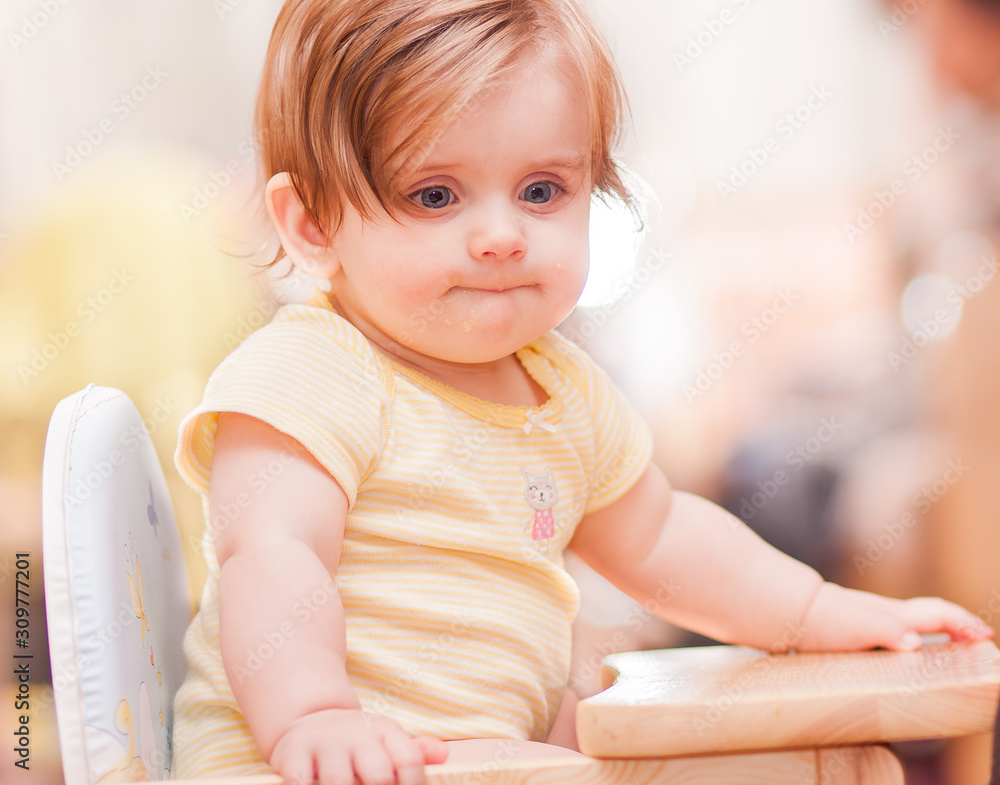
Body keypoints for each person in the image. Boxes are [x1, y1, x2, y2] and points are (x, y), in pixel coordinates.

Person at [169, 1, 995, 783]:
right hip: (319, 764)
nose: (501, 236)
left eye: (541, 191)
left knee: (839, 762)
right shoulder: (313, 371)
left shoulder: (560, 390)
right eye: (435, 195)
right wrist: (313, 716)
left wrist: (818, 613)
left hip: (481, 758)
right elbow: (273, 554)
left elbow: (664, 537)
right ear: (312, 223)